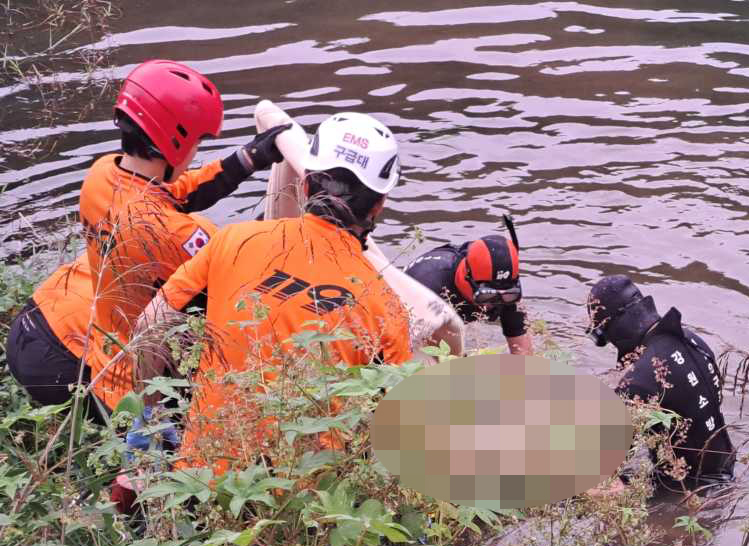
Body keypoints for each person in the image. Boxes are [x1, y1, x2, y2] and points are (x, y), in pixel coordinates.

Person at [132, 111, 413, 475]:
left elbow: (149, 325)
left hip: (202, 479)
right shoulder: (385, 304)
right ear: (379, 204)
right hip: (306, 500)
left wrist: (151, 418)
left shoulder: (235, 239)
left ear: (306, 184)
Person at [5, 59, 289, 416]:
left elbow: (174, 192)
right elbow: (248, 287)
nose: (196, 151)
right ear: (177, 142)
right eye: (198, 141)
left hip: (36, 321)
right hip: (66, 363)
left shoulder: (102, 173)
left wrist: (244, 160)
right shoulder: (175, 234)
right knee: (201, 406)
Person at [586, 275, 735, 491]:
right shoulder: (692, 339)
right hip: (726, 468)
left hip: (686, 490)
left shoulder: (638, 383)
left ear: (614, 328)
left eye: (602, 337)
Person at [406, 221, 533, 355]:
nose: (492, 305)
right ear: (466, 277)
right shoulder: (429, 287)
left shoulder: (506, 290)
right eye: (487, 296)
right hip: (418, 304)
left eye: (508, 296)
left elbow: (523, 353)